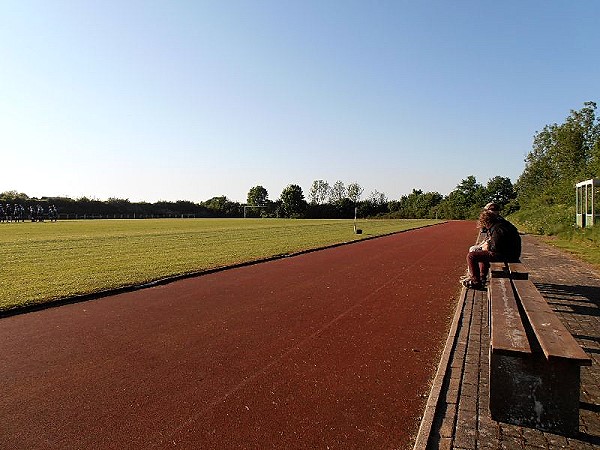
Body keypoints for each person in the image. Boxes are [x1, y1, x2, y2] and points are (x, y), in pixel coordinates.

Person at [462, 209, 521, 290]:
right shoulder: (500, 224)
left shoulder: (497, 229)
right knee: (482, 254)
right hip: (511, 253)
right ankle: (481, 278)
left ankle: (476, 282)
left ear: (486, 221)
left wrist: (487, 246)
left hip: (507, 255)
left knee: (471, 256)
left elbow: (495, 248)